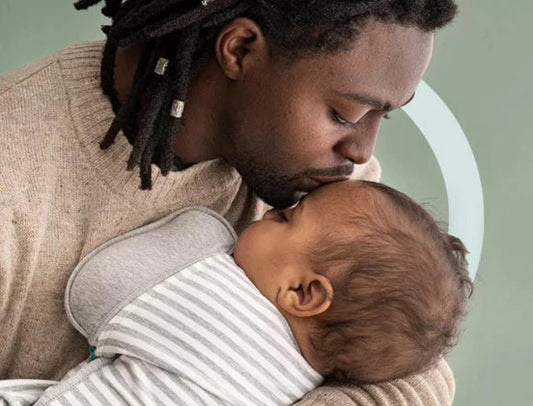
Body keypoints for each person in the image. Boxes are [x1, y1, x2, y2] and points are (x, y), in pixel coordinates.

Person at [0, 0, 460, 403]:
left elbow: (410, 362)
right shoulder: (15, 174)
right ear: (239, 49)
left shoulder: (318, 176)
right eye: (344, 114)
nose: (362, 152)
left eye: (382, 117)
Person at [0, 180, 472, 405]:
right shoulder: (300, 384)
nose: (266, 212)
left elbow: (96, 287)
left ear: (303, 292)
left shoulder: (220, 305)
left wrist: (204, 236)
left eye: (284, 218)